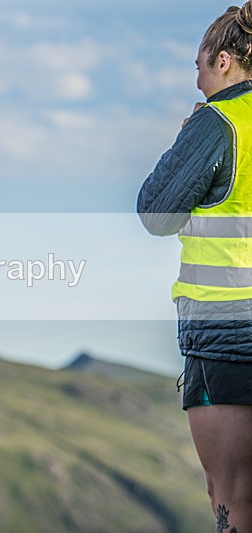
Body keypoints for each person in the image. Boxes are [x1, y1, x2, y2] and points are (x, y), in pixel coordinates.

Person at [138, 3, 252, 531]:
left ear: (223, 61)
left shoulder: (218, 120)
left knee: (233, 495)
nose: (198, 80)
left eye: (200, 66)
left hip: (226, 329)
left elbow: (156, 214)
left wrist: (185, 142)